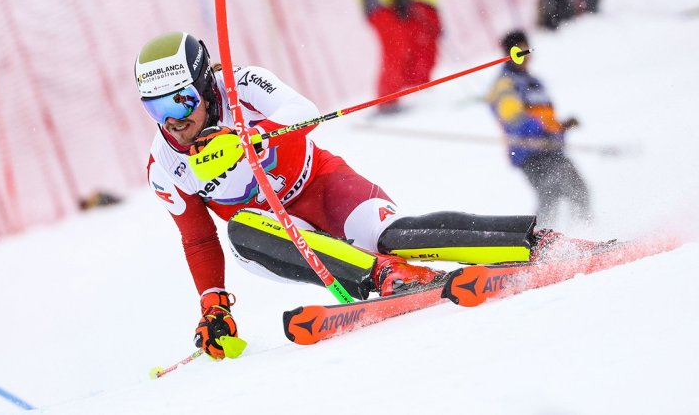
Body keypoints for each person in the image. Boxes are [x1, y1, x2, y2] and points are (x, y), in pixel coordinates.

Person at [137, 31, 561, 360]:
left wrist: (248, 138)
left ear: (205, 86)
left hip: (319, 184)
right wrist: (214, 305)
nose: (173, 122)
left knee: (388, 234)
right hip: (275, 236)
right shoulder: (165, 167)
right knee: (241, 228)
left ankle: (531, 243)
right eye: (156, 109)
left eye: (181, 102)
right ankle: (388, 276)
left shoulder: (240, 84)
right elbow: (197, 238)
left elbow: (303, 110)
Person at [487, 30, 591, 228]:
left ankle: (587, 232)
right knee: (552, 193)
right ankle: (538, 241)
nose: (525, 55)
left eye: (527, 50)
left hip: (549, 149)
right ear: (509, 54)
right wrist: (543, 130)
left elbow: (544, 116)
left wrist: (561, 127)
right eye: (519, 51)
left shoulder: (535, 83)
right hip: (530, 152)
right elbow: (514, 119)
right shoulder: (505, 84)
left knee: (575, 190)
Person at [348, 0, 441, 114]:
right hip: (377, 1)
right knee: (396, 48)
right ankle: (387, 101)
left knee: (408, 46)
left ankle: (409, 92)